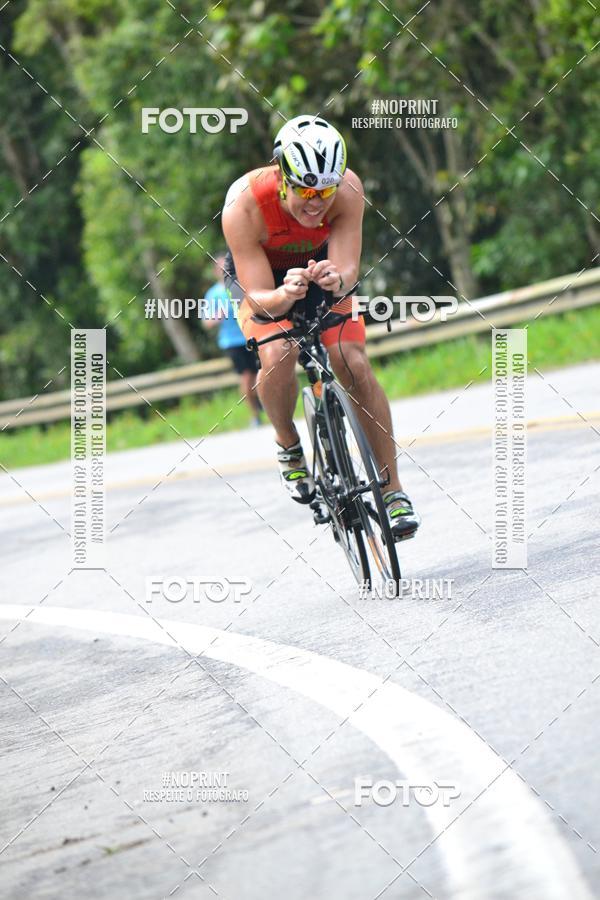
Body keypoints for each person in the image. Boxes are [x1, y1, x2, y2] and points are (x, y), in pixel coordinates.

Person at [221, 115, 419, 539]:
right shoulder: (244, 205)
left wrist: (337, 280)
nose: (317, 203)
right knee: (278, 353)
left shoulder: (347, 190)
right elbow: (257, 298)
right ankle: (288, 441)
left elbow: (348, 268)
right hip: (265, 283)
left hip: (320, 269)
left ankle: (393, 490)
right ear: (282, 179)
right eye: (307, 191)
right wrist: (285, 295)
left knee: (353, 361)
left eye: (325, 192)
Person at [203, 253, 263, 426]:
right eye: (220, 267)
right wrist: (217, 316)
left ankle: (263, 401)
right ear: (216, 271)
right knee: (246, 377)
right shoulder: (213, 294)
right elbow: (206, 322)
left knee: (262, 373)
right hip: (232, 342)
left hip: (252, 335)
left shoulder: (241, 286)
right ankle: (255, 415)